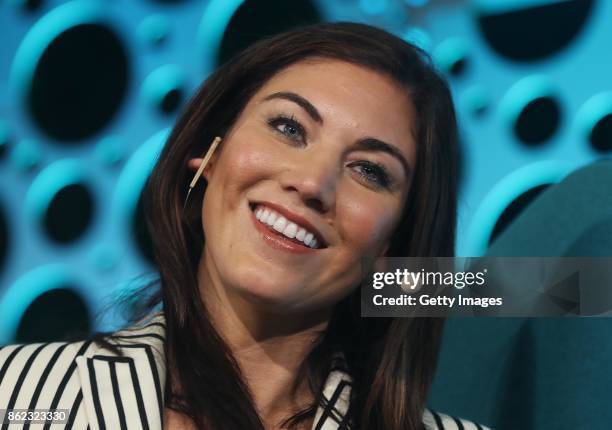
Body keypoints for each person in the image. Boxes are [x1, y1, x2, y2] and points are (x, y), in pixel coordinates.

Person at [0, 22, 489, 430]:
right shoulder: (14, 395)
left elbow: (557, 288)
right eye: (289, 128)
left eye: (370, 171)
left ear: (393, 243)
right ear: (209, 154)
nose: (312, 182)